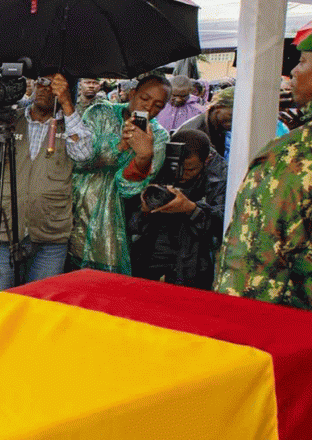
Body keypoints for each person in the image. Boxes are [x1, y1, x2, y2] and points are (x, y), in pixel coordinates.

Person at [0, 72, 94, 289]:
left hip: (51, 233)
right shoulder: (9, 120)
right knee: (3, 300)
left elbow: (83, 154)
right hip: (5, 229)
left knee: (40, 299)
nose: (45, 88)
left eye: (53, 85)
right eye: (41, 82)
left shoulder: (69, 124)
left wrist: (67, 105)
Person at [215, 34, 312, 309]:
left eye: (302, 61)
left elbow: (255, 262)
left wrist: (231, 321)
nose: (293, 71)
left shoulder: (292, 154)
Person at [68, 73, 170, 274]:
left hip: (112, 230)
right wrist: (120, 146)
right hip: (73, 211)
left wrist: (143, 156)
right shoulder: (100, 113)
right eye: (144, 98)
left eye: (158, 105)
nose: (148, 108)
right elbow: (78, 161)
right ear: (132, 94)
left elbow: (128, 189)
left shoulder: (158, 137)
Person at [127, 128, 226, 289]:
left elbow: (222, 223)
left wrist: (191, 209)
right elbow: (130, 222)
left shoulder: (219, 177)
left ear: (206, 160)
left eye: (190, 169)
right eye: (177, 168)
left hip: (193, 261)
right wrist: (145, 209)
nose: (182, 175)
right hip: (150, 252)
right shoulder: (158, 163)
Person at [176, 87, 233, 159]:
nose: (233, 121)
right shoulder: (194, 132)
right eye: (231, 115)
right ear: (219, 107)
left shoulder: (219, 128)